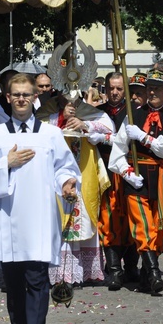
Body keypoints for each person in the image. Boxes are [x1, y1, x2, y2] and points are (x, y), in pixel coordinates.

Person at [0, 73, 80, 324]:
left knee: (37, 279)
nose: (21, 99)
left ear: (35, 98)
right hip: (8, 217)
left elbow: (64, 168)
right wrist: (6, 163)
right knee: (15, 283)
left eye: (26, 94)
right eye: (15, 94)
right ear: (7, 98)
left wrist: (67, 183)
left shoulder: (50, 134)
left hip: (40, 217)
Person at [109, 70, 163, 294]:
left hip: (160, 177)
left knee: (159, 230)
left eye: (158, 88)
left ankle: (145, 274)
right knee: (143, 224)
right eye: (149, 88)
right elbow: (117, 153)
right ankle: (153, 271)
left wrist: (143, 137)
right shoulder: (132, 116)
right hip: (136, 175)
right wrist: (126, 172)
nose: (152, 92)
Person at [37, 91, 113, 285]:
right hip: (55, 171)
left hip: (84, 170)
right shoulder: (48, 109)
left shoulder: (87, 110)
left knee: (84, 215)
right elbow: (38, 129)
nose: (69, 97)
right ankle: (59, 273)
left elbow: (108, 127)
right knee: (57, 216)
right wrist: (62, 116)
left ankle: (85, 272)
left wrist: (84, 124)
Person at [89, 72, 139, 290]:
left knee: (132, 219)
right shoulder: (97, 113)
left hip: (129, 172)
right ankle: (114, 271)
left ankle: (131, 268)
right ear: (105, 89)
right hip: (107, 173)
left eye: (119, 88)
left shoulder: (135, 112)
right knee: (109, 221)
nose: (115, 92)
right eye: (111, 88)